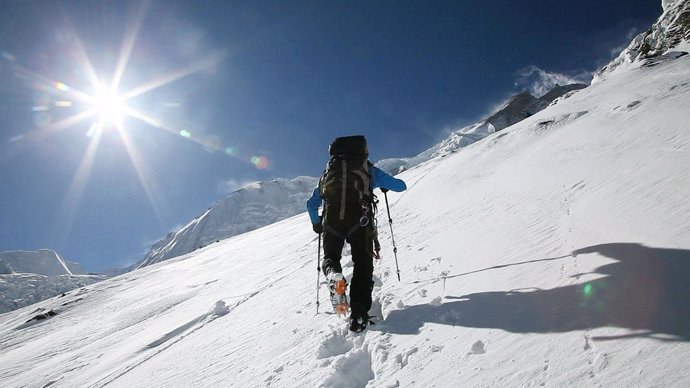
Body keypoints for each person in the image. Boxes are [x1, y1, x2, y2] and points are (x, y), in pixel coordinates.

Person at [306, 135, 406, 332]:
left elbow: (311, 205)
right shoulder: (367, 169)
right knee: (362, 263)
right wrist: (382, 183)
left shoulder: (327, 174)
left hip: (332, 222)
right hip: (360, 220)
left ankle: (334, 275)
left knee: (330, 258)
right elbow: (401, 186)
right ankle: (359, 310)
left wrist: (317, 224)